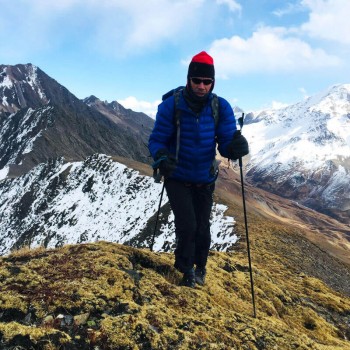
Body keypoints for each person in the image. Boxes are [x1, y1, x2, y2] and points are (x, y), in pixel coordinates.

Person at [148, 51, 249, 288]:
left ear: (213, 82)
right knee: (188, 225)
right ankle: (186, 271)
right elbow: (157, 140)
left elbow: (224, 142)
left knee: (203, 227)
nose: (202, 86)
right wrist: (161, 157)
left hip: (204, 177)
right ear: (188, 79)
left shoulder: (220, 107)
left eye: (207, 82)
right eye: (197, 81)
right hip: (177, 176)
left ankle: (201, 266)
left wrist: (233, 147)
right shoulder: (170, 106)